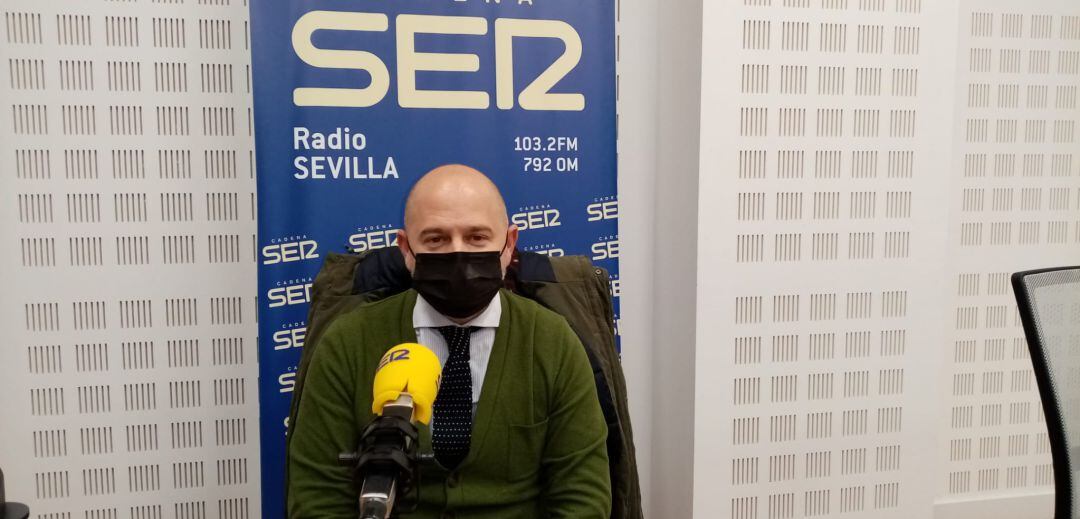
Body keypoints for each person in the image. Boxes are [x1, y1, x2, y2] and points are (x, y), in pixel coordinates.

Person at [287, 164, 612, 518]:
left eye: (477, 237)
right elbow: (317, 497)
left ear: (509, 244)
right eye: (435, 239)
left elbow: (582, 497)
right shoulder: (348, 342)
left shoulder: (554, 342)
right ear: (406, 248)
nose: (458, 255)